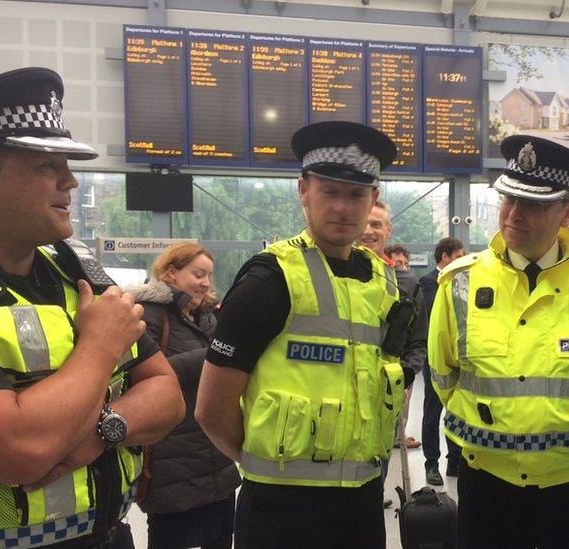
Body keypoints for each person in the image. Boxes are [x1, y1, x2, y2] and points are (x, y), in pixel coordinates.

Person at [0, 67, 184, 548]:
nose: (70, 182)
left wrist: (104, 429)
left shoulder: (74, 269)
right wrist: (99, 345)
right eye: (46, 167)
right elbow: (17, 450)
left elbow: (168, 395)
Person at [195, 121, 407, 549]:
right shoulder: (269, 279)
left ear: (374, 200)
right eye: (329, 192)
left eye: (356, 195)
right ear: (303, 190)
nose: (343, 208)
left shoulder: (382, 284)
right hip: (281, 510)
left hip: (363, 502)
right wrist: (265, 465)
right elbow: (212, 409)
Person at [428, 135, 569, 548]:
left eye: (536, 204)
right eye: (509, 199)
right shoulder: (460, 282)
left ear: (568, 213)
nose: (514, 215)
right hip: (488, 486)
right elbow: (443, 376)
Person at [126, 243, 239, 549]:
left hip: (215, 458)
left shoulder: (204, 317)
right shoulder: (148, 315)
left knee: (220, 538)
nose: (205, 282)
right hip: (173, 463)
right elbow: (141, 378)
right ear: (171, 271)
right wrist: (212, 357)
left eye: (209, 276)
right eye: (198, 273)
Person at [361, 202, 427, 451]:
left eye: (376, 224)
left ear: (388, 230)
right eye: (364, 223)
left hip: (384, 400)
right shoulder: (329, 274)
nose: (368, 231)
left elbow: (418, 339)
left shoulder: (406, 282)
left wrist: (404, 377)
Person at [418, 236, 465, 486]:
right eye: (458, 257)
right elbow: (435, 314)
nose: (462, 261)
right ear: (444, 257)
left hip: (458, 357)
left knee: (457, 409)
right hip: (435, 357)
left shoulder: (464, 283)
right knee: (432, 411)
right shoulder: (428, 282)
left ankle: (455, 461)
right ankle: (431, 464)